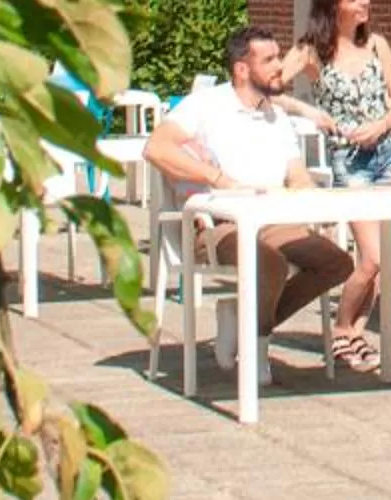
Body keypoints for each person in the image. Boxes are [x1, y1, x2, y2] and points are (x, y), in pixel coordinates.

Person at [141, 25, 353, 372]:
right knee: (269, 263)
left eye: (278, 57)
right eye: (269, 60)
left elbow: (296, 174)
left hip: (271, 220)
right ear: (242, 68)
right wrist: (219, 179)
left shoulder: (276, 116)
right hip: (214, 223)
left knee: (337, 263)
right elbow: (156, 148)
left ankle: (246, 322)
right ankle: (256, 351)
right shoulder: (206, 105)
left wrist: (313, 202)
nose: (279, 67)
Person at [281, 0, 391, 373]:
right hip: (350, 163)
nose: (364, 2)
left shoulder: (376, 45)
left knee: (384, 261)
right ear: (332, 6)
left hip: (389, 155)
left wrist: (381, 126)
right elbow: (270, 88)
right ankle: (340, 331)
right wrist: (309, 112)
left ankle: (356, 335)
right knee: (369, 259)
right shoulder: (310, 52)